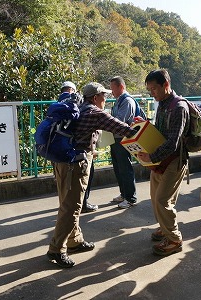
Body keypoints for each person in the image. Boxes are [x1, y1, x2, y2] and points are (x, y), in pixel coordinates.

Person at [47, 82, 137, 268]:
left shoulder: (79, 107)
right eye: (103, 96)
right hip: (75, 165)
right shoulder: (95, 112)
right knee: (71, 208)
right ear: (95, 98)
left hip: (62, 161)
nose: (106, 99)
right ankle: (57, 250)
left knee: (67, 203)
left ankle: (74, 240)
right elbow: (120, 128)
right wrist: (140, 130)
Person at [136, 69, 190, 256]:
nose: (152, 93)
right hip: (159, 161)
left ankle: (174, 239)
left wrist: (151, 157)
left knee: (162, 200)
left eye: (154, 89)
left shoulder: (179, 107)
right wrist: (144, 125)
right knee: (156, 198)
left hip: (174, 160)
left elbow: (173, 142)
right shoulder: (163, 104)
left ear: (166, 85)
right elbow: (160, 132)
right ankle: (164, 228)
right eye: (149, 90)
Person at [58, 81, 98, 213]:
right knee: (78, 191)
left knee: (65, 192)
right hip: (78, 155)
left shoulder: (58, 106)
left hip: (60, 154)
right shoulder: (77, 106)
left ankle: (70, 213)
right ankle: (82, 205)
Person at [109, 76, 138, 209]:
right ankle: (124, 194)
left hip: (123, 139)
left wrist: (107, 120)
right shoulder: (119, 100)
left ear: (121, 87)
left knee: (125, 168)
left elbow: (120, 120)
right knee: (118, 168)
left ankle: (130, 197)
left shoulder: (127, 101)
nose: (111, 91)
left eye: (113, 88)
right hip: (115, 138)